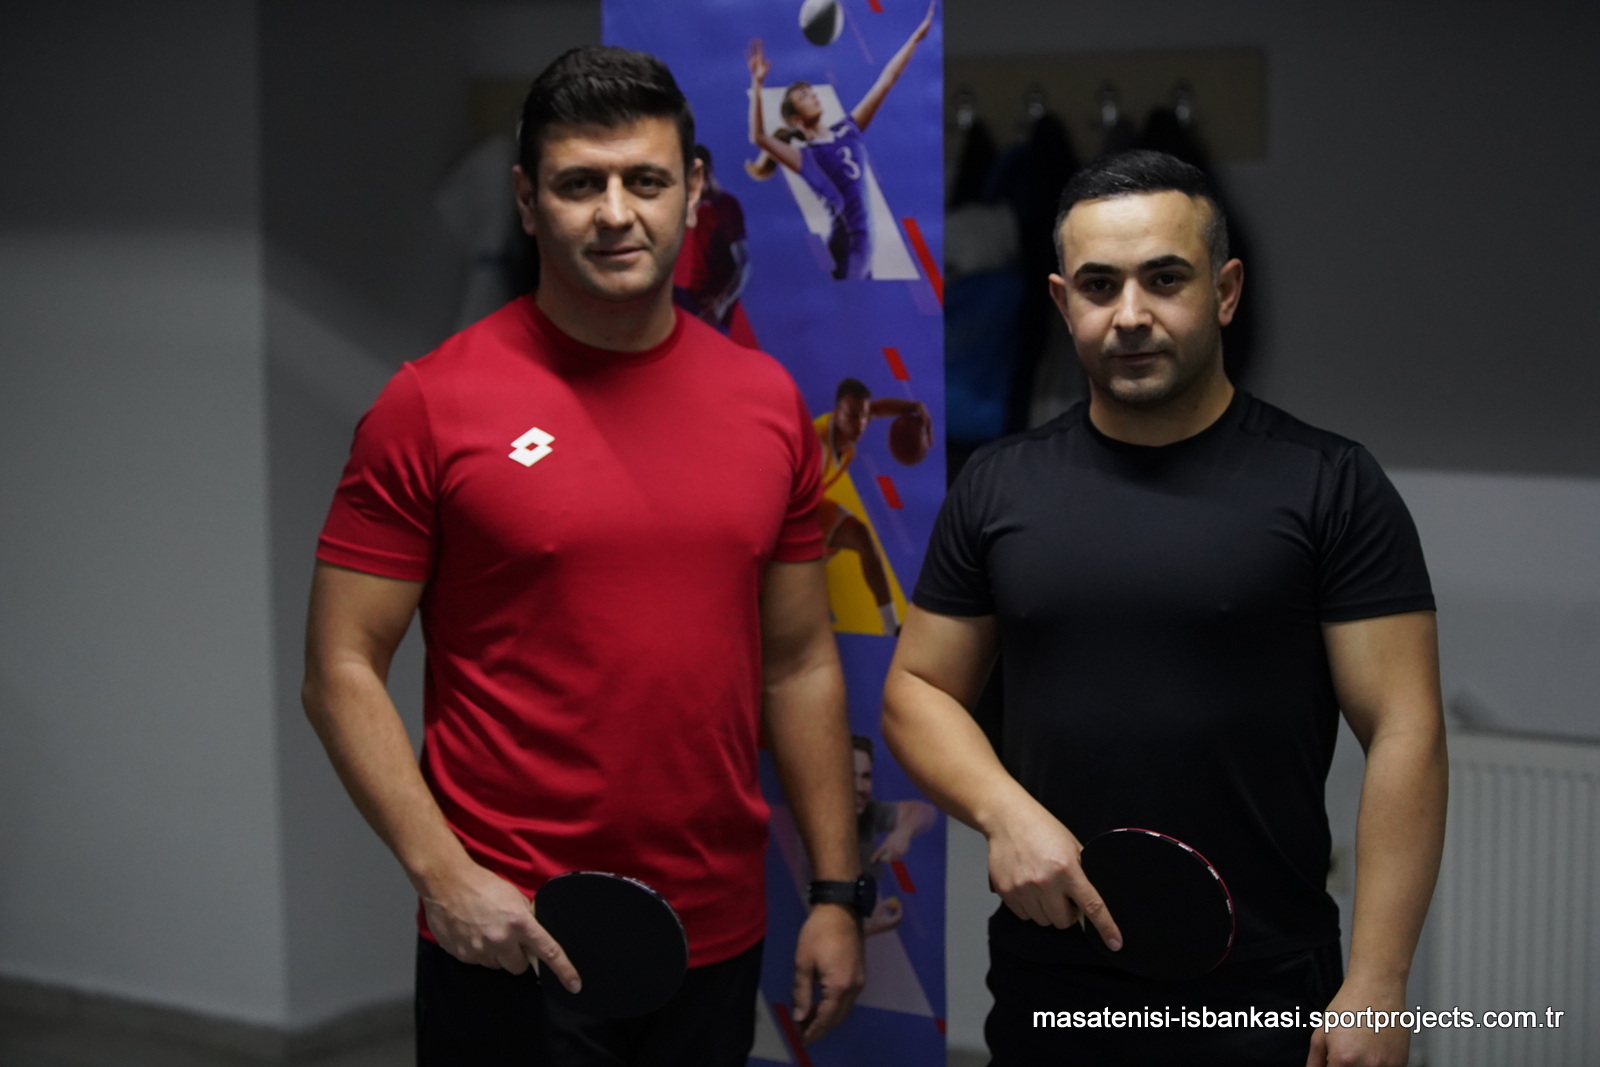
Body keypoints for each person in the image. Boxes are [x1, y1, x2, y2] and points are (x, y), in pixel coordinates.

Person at [302, 46, 866, 1067]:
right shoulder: (430, 403)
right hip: (509, 930)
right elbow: (340, 666)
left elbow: (798, 662)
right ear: (527, 201)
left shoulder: (767, 402)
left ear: (694, 190)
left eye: (645, 180)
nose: (616, 214)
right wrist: (441, 873)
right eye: (578, 184)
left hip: (714, 929)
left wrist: (834, 889)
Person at [882, 150, 1447, 1066]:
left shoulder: (1330, 485)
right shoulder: (997, 485)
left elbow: (1405, 729)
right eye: (1099, 286)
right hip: (1051, 976)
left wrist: (1379, 983)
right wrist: (1003, 811)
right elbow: (917, 688)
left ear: (1225, 291)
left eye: (1165, 279)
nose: (1131, 314)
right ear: (1062, 302)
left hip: (1261, 980)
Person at [745, 1, 935, 279]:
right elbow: (759, 136)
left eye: (811, 91)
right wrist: (758, 83)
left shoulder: (848, 129)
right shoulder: (807, 156)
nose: (813, 96)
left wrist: (915, 39)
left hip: (866, 254)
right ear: (796, 120)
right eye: (804, 96)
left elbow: (885, 82)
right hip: (848, 251)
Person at [815, 378, 927, 636]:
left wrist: (911, 407)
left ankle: (890, 625)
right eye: (853, 416)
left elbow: (874, 409)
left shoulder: (844, 430)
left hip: (812, 504)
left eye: (863, 416)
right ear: (837, 411)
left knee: (861, 536)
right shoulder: (817, 447)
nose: (860, 424)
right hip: (791, 510)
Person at [850, 735, 936, 937]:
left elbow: (926, 812)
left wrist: (902, 833)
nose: (860, 787)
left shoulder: (868, 814)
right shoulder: (806, 828)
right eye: (850, 776)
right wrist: (866, 928)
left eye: (866, 776)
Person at [672, 144, 751, 336]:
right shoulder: (702, 210)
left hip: (709, 314)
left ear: (703, 173)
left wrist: (718, 307)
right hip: (691, 300)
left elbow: (744, 265)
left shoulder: (726, 207)